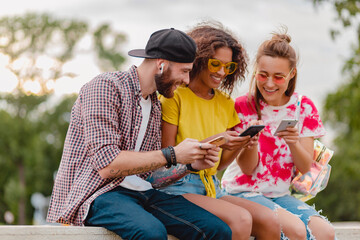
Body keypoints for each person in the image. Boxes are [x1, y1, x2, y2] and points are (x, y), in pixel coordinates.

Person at [46, 28, 232, 240]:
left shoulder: (154, 106)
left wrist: (189, 166)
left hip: (142, 193)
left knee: (218, 230)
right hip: (99, 194)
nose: (187, 80)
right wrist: (172, 154)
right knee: (151, 233)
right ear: (161, 64)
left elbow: (151, 176)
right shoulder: (105, 87)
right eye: (184, 71)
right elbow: (107, 165)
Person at [148, 23, 281, 240]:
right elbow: (167, 155)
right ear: (199, 60)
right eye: (215, 63)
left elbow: (219, 165)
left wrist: (240, 145)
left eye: (227, 67)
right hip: (177, 187)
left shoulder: (226, 103)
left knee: (269, 220)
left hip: (211, 187)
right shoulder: (175, 96)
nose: (221, 72)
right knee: (241, 219)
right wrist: (215, 141)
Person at [221, 28, 336, 239]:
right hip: (241, 191)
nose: (270, 83)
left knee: (325, 232)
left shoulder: (304, 108)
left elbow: (304, 167)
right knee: (296, 231)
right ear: (256, 70)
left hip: (279, 195)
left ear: (291, 74)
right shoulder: (241, 107)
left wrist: (293, 143)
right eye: (263, 75)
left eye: (279, 77)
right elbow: (247, 169)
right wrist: (251, 144)